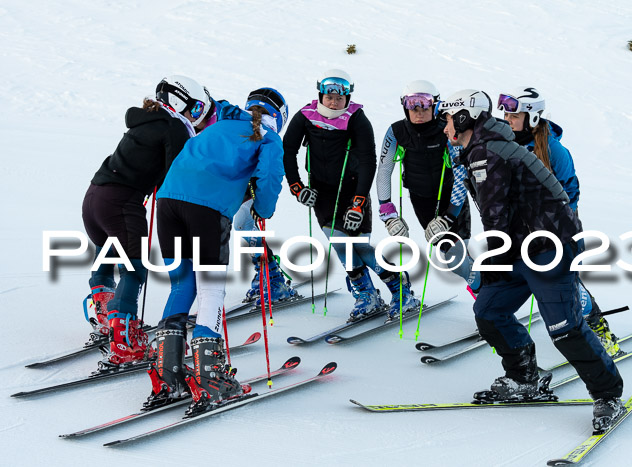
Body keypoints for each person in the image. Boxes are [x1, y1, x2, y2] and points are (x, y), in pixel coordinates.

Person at [439, 89, 625, 432]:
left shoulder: (488, 151)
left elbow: (495, 216)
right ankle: (524, 377)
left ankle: (608, 394)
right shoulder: (479, 149)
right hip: (518, 247)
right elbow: (494, 214)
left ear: (464, 117)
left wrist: (490, 262)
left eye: (447, 117)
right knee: (489, 310)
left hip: (548, 248)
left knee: (564, 328)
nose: (444, 125)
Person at [144, 88, 288, 414]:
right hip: (206, 211)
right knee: (211, 291)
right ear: (278, 117)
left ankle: (169, 377)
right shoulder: (268, 137)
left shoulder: (218, 125)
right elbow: (269, 177)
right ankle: (211, 376)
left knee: (182, 284)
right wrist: (262, 209)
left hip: (168, 204)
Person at [82, 75, 211, 368]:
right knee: (135, 267)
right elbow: (176, 176)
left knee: (109, 251)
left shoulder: (145, 121)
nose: (195, 115)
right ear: (179, 101)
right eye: (194, 107)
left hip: (94, 198)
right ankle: (124, 339)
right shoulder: (174, 125)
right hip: (121, 202)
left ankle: (107, 316)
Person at [282, 69, 420, 322]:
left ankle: (401, 289)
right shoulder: (305, 116)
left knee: (358, 246)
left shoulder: (357, 118)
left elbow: (368, 161)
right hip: (321, 192)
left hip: (352, 190)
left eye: (339, 98)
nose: (334, 102)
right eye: (329, 97)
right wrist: (297, 188)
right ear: (321, 95)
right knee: (339, 244)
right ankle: (367, 295)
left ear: (347, 97)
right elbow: (288, 151)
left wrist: (358, 202)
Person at [497, 87, 620, 357]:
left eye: (514, 114)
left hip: (558, 232)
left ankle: (598, 328)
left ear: (531, 117)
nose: (507, 118)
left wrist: (555, 230)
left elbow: (571, 193)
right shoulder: (505, 143)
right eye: (505, 113)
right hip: (521, 232)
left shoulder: (554, 150)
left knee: (568, 284)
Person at [375, 80, 480, 294]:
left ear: (435, 105)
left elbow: (461, 175)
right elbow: (384, 171)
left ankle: (488, 297)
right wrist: (388, 215)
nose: (418, 110)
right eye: (412, 103)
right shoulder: (396, 132)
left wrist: (449, 216)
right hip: (421, 200)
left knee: (456, 258)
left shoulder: (447, 130)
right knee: (450, 256)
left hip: (452, 199)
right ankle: (488, 291)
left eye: (425, 103)